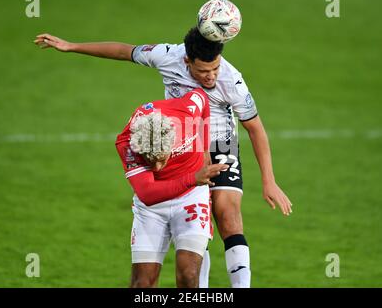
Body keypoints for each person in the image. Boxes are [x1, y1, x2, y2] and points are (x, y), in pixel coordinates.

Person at [34, 28, 293, 288]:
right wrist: (72, 46)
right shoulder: (167, 55)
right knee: (194, 227)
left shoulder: (232, 80)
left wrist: (268, 181)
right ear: (187, 61)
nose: (211, 76)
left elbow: (255, 128)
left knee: (228, 215)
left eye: (215, 69)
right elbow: (125, 51)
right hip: (175, 145)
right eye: (203, 72)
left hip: (221, 142)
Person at [116, 87, 228, 287]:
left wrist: (203, 148)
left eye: (160, 159)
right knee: (142, 284)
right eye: (150, 160)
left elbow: (201, 97)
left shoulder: (186, 115)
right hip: (153, 207)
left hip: (190, 198)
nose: (157, 167)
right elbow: (148, 194)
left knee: (189, 274)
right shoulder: (128, 143)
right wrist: (193, 178)